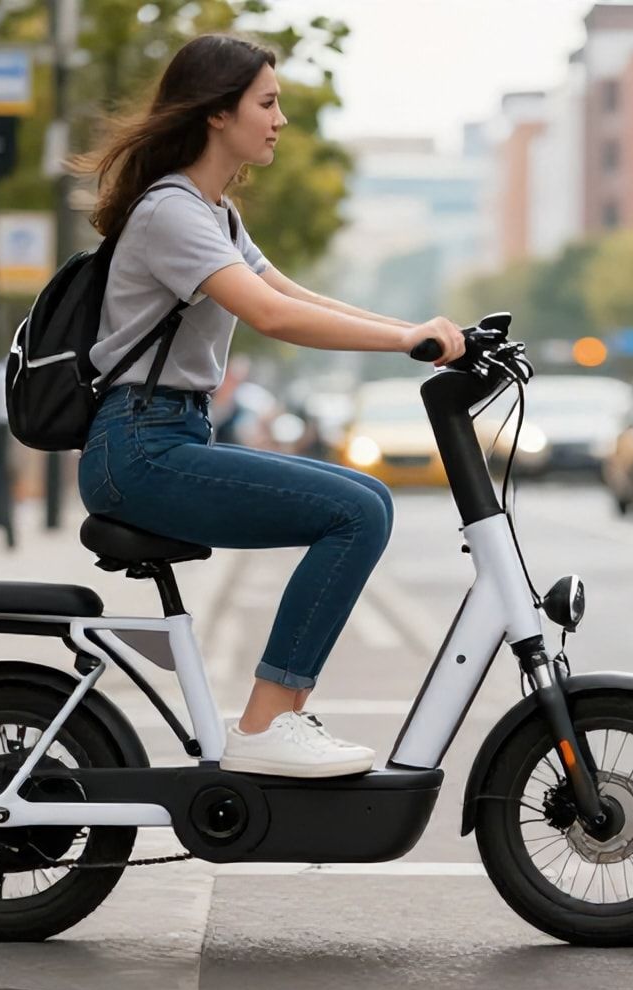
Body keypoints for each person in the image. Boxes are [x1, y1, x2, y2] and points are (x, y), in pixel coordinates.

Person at [75, 34, 464, 778]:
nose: (280, 119)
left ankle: (278, 716)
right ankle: (265, 719)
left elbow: (294, 294)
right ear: (219, 114)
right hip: (139, 448)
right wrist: (407, 340)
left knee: (369, 498)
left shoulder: (213, 213)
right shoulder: (171, 212)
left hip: (168, 436)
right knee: (354, 513)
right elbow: (272, 318)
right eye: (267, 102)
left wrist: (423, 333)